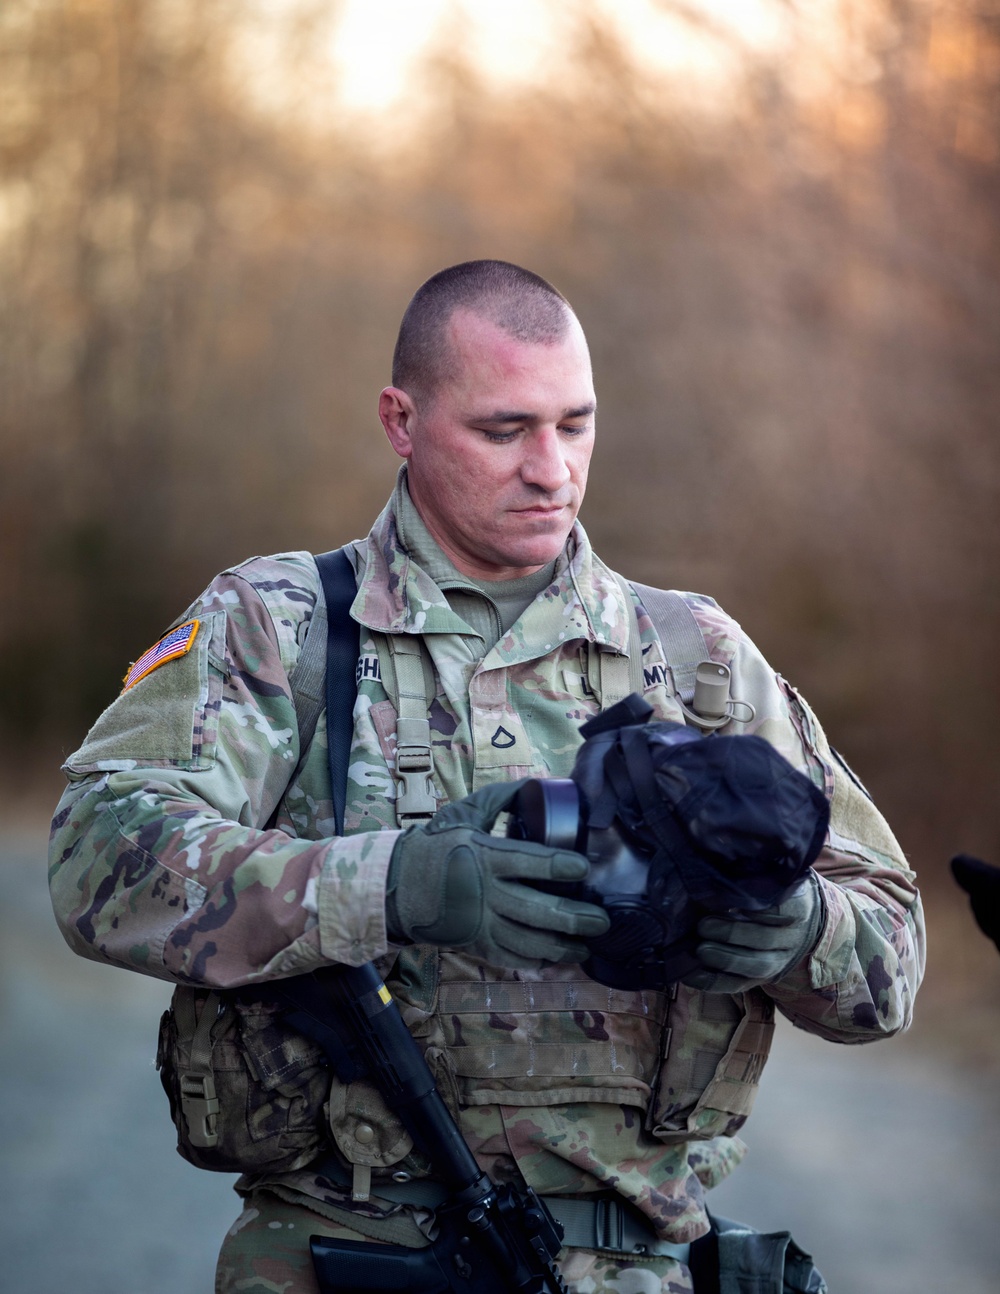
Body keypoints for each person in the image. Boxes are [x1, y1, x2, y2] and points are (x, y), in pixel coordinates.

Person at [48, 260, 925, 1294]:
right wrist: (393, 888)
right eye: (504, 430)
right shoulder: (283, 627)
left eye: (574, 425)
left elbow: (891, 955)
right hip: (349, 1255)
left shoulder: (697, 658)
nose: (551, 469)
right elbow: (97, 848)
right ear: (401, 421)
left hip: (638, 1262)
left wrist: (800, 930)